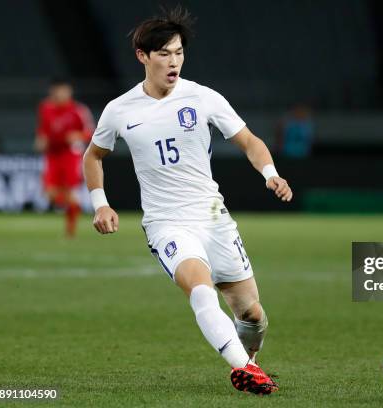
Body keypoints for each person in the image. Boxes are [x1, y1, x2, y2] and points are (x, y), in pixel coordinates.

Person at [82, 7, 291, 395]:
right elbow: (93, 155)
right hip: (166, 221)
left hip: (213, 215)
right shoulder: (120, 110)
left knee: (251, 314)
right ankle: (243, 368)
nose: (173, 61)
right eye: (164, 53)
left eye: (178, 52)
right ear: (143, 56)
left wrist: (270, 174)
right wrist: (100, 203)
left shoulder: (204, 97)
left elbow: (249, 141)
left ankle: (251, 362)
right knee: (199, 287)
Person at [35, 78, 94, 237]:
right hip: (52, 155)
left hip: (70, 154)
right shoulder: (45, 108)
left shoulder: (78, 110)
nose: (60, 94)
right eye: (57, 91)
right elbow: (43, 129)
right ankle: (74, 205)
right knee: (49, 193)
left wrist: (78, 135)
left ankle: (70, 229)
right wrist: (41, 139)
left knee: (69, 192)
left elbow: (92, 133)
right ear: (52, 92)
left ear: (69, 92)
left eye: (64, 91)